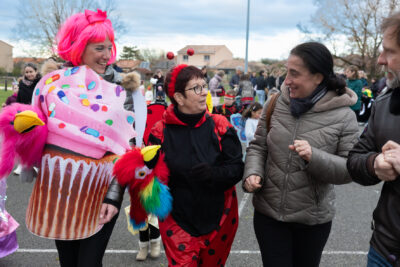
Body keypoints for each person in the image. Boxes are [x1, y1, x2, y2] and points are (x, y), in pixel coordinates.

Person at [22, 9, 140, 267]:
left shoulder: (121, 92)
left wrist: (113, 197)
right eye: (100, 48)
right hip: (59, 191)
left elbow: (127, 152)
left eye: (110, 47)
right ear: (79, 47)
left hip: (101, 194)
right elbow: (33, 134)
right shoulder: (52, 85)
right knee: (68, 262)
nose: (107, 55)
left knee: (88, 263)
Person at [243, 42, 359, 267]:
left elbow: (350, 169)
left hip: (312, 221)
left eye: (294, 74)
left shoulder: (344, 116)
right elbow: (258, 147)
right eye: (287, 71)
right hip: (269, 215)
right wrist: (252, 173)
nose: (287, 80)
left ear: (318, 77)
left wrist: (314, 157)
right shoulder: (275, 103)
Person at [148, 64, 243, 266]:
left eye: (204, 86)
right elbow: (148, 179)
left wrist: (213, 174)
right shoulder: (159, 132)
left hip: (219, 216)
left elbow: (236, 168)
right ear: (179, 98)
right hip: (177, 219)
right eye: (196, 88)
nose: (204, 93)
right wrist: (147, 166)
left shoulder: (220, 125)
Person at [347, 12, 400, 267]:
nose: (380, 60)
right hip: (383, 249)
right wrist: (373, 163)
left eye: (389, 52)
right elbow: (355, 159)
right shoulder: (385, 104)